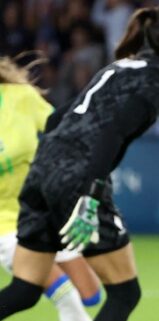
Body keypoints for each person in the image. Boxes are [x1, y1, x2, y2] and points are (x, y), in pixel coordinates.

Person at [0, 2, 159, 321]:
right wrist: (90, 195)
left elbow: (58, 119)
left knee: (25, 290)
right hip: (78, 179)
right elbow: (109, 134)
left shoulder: (123, 66)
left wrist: (52, 173)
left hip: (42, 173)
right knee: (125, 293)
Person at [0, 55, 101, 321]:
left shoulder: (19, 96)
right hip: (3, 226)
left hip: (39, 210)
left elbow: (60, 126)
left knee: (90, 293)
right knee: (65, 296)